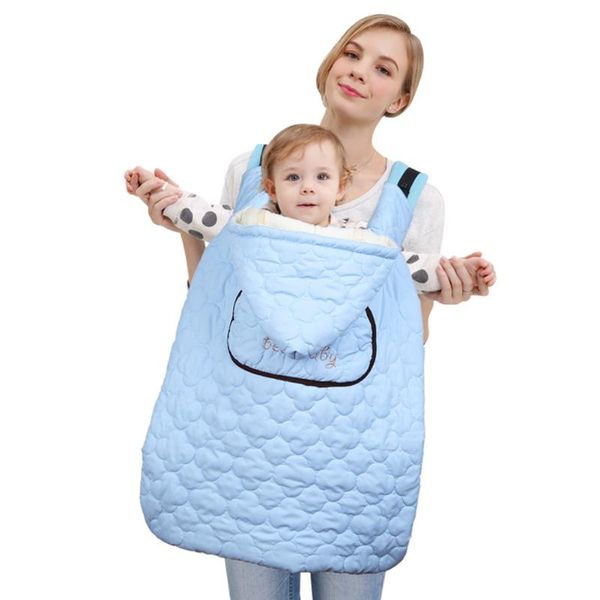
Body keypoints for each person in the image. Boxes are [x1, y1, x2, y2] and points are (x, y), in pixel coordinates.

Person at [127, 15, 497, 600]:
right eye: (351, 54)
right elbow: (217, 305)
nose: (359, 71)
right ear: (329, 63)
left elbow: (407, 339)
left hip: (350, 454)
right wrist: (182, 228)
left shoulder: (413, 198)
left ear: (399, 99)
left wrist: (443, 297)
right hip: (252, 444)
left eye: (383, 68)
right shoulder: (254, 172)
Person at [125, 124, 495, 294]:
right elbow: (202, 215)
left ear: (340, 188)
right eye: (292, 177)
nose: (307, 187)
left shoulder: (356, 238)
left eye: (321, 177)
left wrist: (459, 271)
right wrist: (160, 190)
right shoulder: (255, 223)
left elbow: (407, 267)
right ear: (271, 188)